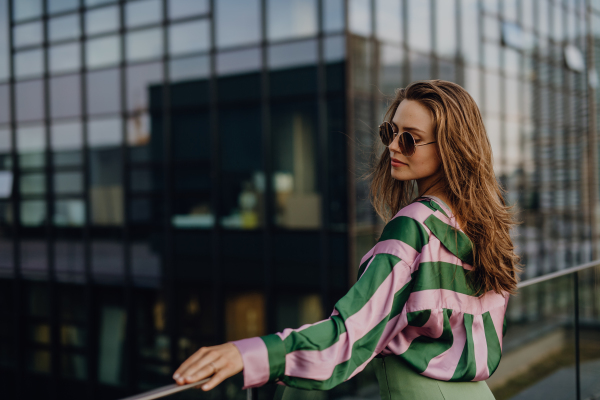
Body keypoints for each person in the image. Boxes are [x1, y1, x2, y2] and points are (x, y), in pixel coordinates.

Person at [172, 80, 521, 399]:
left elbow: (351, 335)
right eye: (390, 132)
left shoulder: (414, 225)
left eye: (409, 138)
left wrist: (247, 355)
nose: (393, 147)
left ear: (449, 147)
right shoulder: (484, 226)